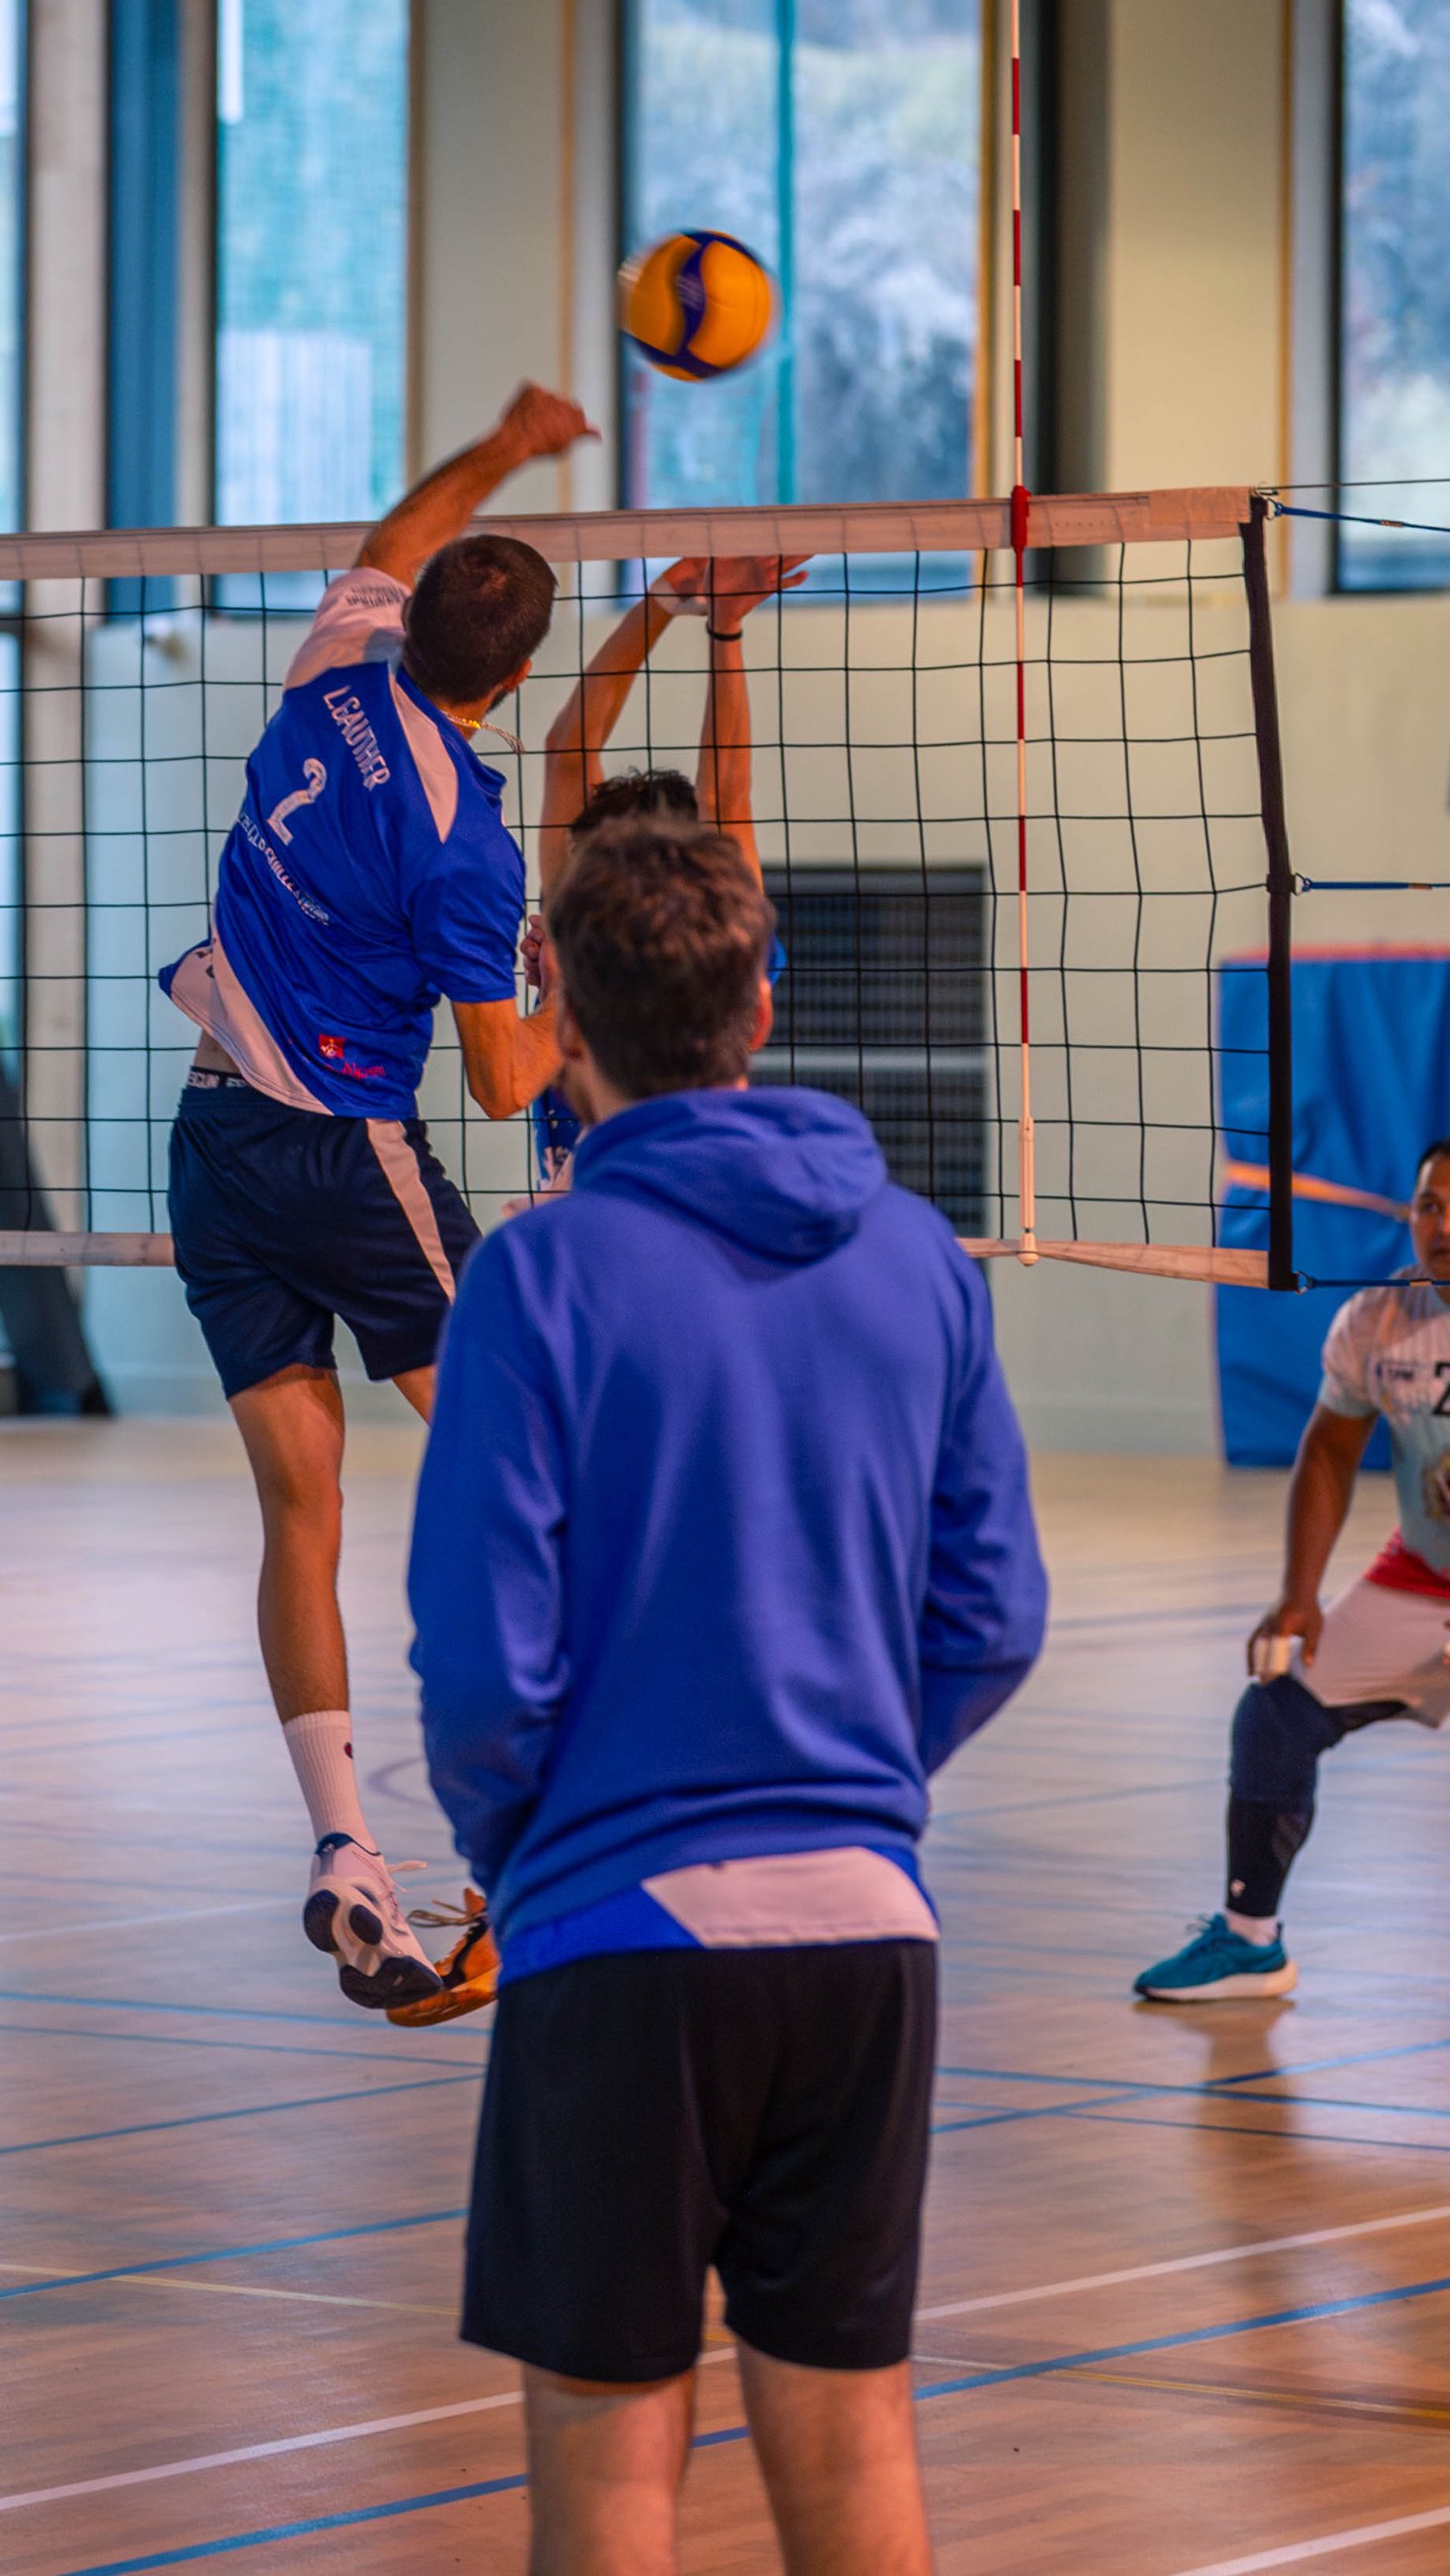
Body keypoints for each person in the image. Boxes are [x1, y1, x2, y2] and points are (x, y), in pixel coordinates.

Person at [410, 821, 1046, 2576]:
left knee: (612, 2477)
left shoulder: (535, 1276)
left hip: (621, 1931)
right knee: (853, 2450)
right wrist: (832, 1774)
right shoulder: (921, 1255)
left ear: (558, 1011)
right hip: (865, 1932)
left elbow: (478, 1660)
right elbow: (993, 1615)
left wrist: (543, 1842)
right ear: (765, 1001)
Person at [161, 379, 591, 2015]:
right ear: (521, 674)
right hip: (350, 1156)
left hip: (211, 1145)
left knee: (302, 1512)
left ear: (416, 625)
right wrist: (581, 994)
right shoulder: (466, 845)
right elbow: (499, 1079)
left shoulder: (336, 672)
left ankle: (349, 1853)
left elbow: (395, 535)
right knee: (532, 1461)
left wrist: (501, 445)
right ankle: (538, 1843)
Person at [1134, 1138, 1450, 2006]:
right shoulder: (1381, 1320)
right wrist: (1299, 1594)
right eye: (1430, 1205)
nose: (1443, 1224)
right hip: (1425, 1580)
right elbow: (1328, 1453)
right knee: (1276, 1708)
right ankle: (1248, 1942)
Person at [528, 552, 806, 1191]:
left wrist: (722, 627)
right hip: (576, 1217)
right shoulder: (584, 928)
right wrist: (662, 604)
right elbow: (567, 753)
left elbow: (725, 798)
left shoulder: (720, 941)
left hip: (689, 1195)